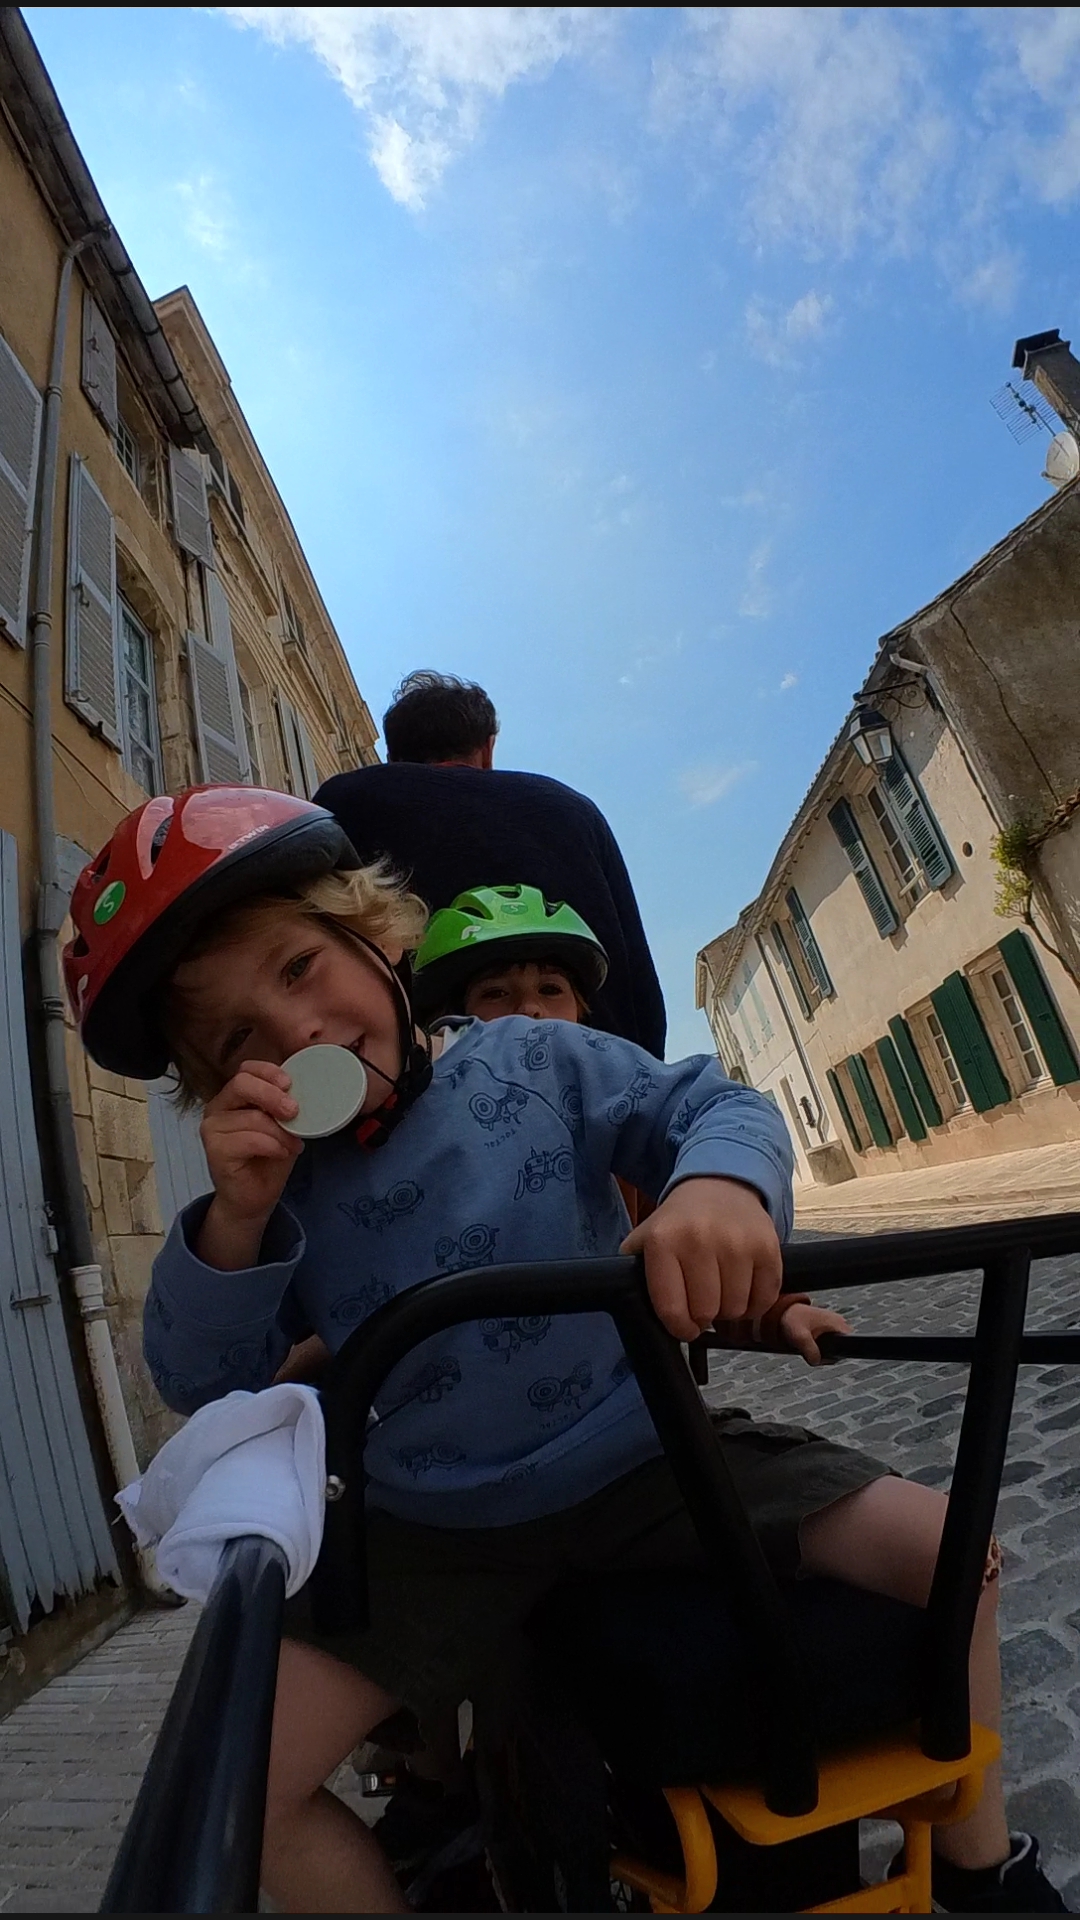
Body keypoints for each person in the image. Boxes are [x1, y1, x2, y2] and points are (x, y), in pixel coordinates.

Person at [65, 788, 1065, 1916]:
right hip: (430, 1526)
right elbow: (203, 1379)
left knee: (958, 1556)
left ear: (374, 933)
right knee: (233, 1789)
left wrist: (722, 1189)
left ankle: (985, 1870)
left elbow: (706, 1105)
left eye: (301, 969)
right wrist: (236, 1219)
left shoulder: (532, 1059)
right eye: (239, 1040)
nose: (294, 1031)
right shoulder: (275, 1188)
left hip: (646, 1455)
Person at [315, 671, 667, 1058]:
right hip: (603, 1076)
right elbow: (639, 985)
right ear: (487, 749)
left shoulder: (346, 801)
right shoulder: (574, 810)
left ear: (395, 759)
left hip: (419, 1088)